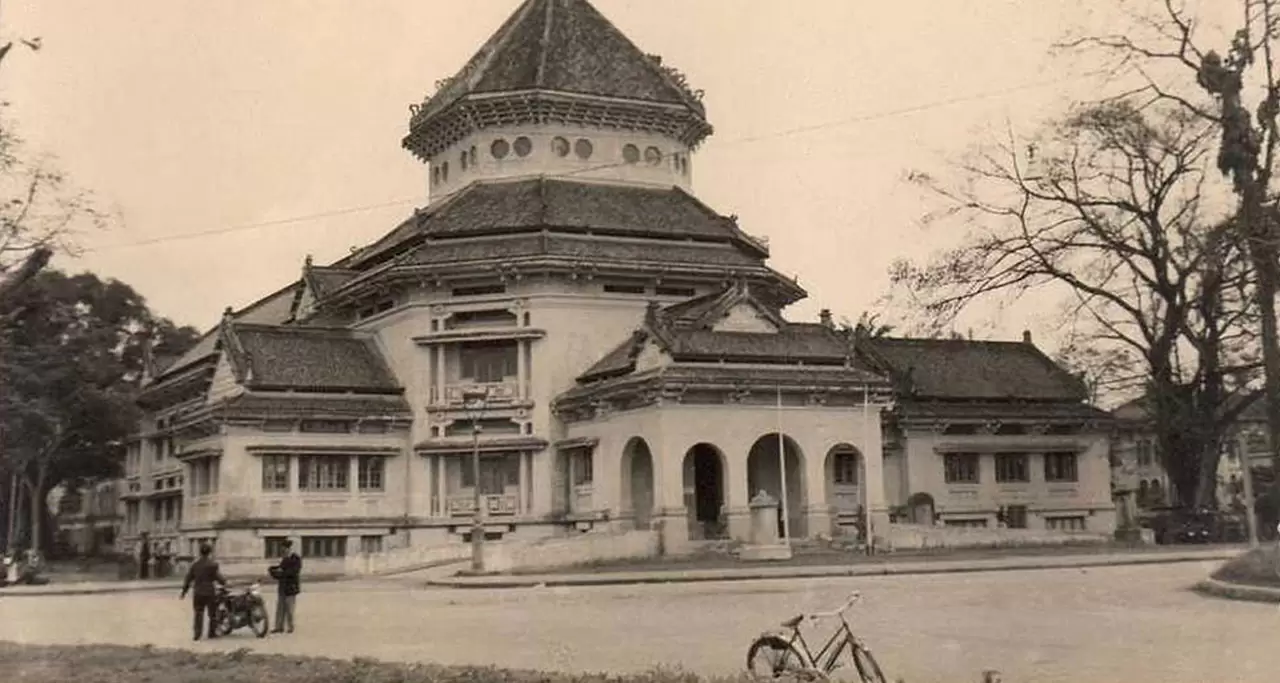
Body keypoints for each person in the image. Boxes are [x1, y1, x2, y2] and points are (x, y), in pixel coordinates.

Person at [180, 543, 227, 641]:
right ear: (209, 552)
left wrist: (184, 592)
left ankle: (197, 634)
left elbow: (188, 579)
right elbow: (218, 578)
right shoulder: (213, 565)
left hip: (198, 592)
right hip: (210, 592)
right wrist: (224, 582)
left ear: (200, 552)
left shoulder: (195, 565)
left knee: (198, 613)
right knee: (212, 614)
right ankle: (212, 633)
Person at [269, 540, 302, 634]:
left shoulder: (296, 558)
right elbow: (280, 570)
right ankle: (279, 627)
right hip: (282, 586)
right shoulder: (284, 559)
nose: (283, 551)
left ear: (289, 549)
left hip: (291, 586)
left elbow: (294, 571)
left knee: (289, 608)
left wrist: (282, 573)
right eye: (283, 549)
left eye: (285, 549)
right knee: (280, 608)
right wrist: (273, 571)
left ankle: (290, 627)